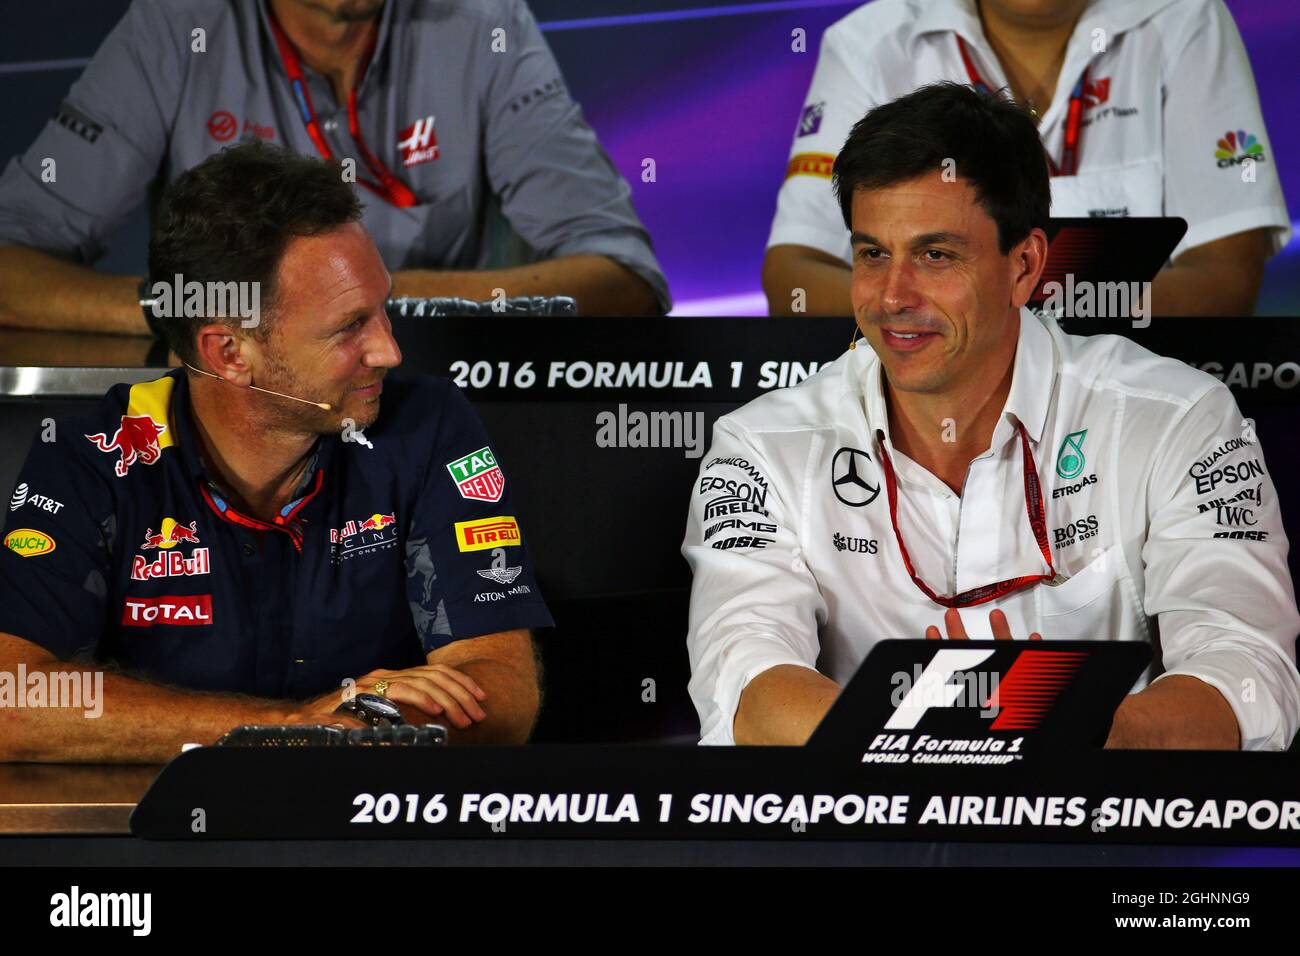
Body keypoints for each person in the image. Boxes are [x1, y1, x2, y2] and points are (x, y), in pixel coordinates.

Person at [687, 83, 1300, 750]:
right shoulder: (760, 447)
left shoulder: (1181, 421)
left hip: (1107, 838)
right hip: (868, 841)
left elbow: (1247, 674)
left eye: (935, 255)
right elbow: (744, 684)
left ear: (1025, 265)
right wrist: (937, 742)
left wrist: (1085, 735)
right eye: (872, 255)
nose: (893, 297)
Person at [0, 142, 553, 761]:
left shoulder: (425, 424)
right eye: (350, 327)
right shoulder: (93, 458)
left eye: (383, 311)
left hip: (366, 831)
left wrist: (374, 721)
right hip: (164, 845)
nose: (389, 351)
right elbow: (10, 699)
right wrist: (286, 727)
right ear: (230, 354)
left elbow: (503, 687)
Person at [0, 0, 668, 334]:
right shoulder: (175, 24)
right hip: (230, 409)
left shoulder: (483, 21)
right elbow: (9, 265)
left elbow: (623, 281)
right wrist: (191, 310)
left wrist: (332, 310)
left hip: (425, 407)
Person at [763, 0, 1288, 317]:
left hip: (1137, 401)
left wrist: (999, 320)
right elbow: (795, 279)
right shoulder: (868, 44)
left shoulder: (1185, 20)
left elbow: (1226, 280)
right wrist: (960, 325)